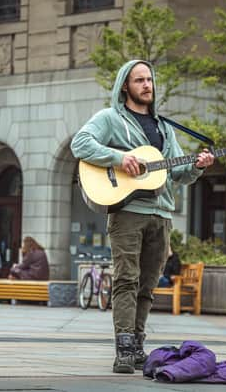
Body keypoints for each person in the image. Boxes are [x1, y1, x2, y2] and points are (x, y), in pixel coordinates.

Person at [70, 60, 214, 374]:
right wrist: (121, 159)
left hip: (161, 213)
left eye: (149, 79)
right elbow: (80, 143)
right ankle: (123, 351)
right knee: (126, 279)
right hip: (128, 212)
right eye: (139, 80)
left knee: (147, 285)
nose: (146, 85)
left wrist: (198, 166)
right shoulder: (110, 118)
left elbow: (177, 173)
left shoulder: (164, 127)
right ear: (125, 85)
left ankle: (137, 346)